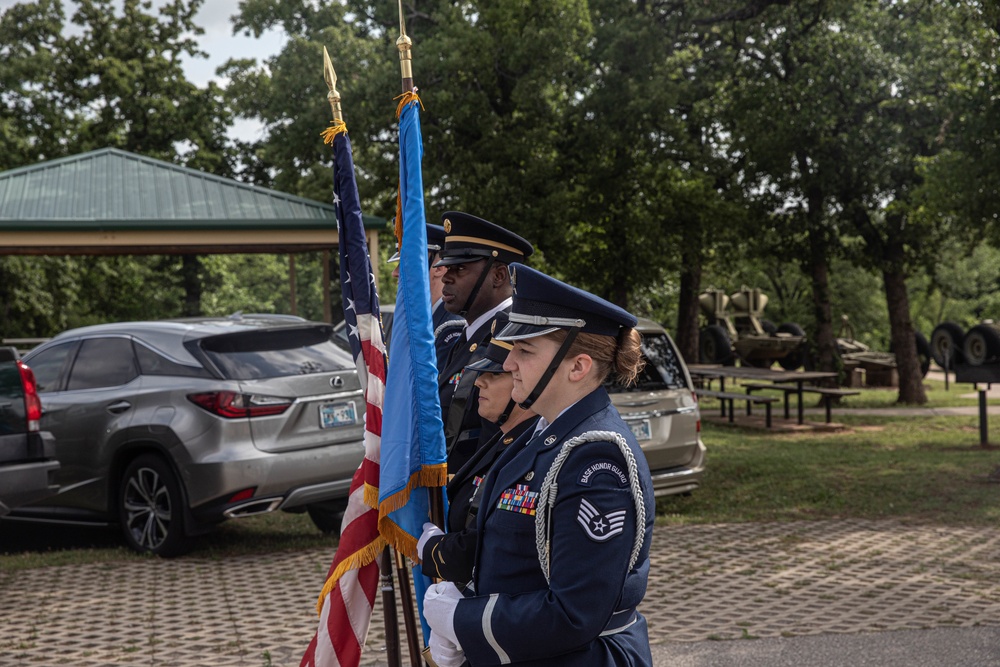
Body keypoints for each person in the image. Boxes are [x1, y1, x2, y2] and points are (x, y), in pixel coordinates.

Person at [423, 264, 656, 667]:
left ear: (577, 367)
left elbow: (573, 613)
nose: (509, 362)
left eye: (525, 350)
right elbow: (513, 560)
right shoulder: (542, 433)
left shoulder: (597, 457)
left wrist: (464, 621)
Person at [417, 330, 539, 585]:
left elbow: (485, 545)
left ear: (523, 381)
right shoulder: (504, 440)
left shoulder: (527, 449)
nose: (478, 382)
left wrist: (433, 548)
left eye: (493, 375)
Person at [435, 211, 533, 472]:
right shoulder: (468, 336)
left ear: (499, 276)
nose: (446, 276)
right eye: (446, 267)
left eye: (460, 268)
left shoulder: (514, 337)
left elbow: (499, 442)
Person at [388, 222, 465, 361]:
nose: (395, 272)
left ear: (439, 268)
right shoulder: (419, 320)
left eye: (408, 263)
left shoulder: (452, 328)